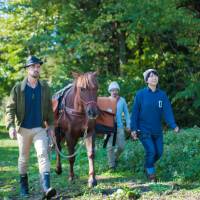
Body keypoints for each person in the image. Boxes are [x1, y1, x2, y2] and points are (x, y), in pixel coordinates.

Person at [5, 55, 56, 198]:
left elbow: (49, 110)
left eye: (38, 66)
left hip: (39, 128)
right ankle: (24, 188)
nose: (36, 69)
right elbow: (10, 109)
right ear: (27, 69)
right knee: (23, 159)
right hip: (23, 130)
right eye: (33, 66)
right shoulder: (18, 88)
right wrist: (10, 126)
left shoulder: (45, 88)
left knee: (43, 154)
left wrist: (51, 127)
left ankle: (46, 187)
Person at [130, 69, 179, 182]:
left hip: (157, 130)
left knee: (159, 152)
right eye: (151, 76)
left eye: (155, 75)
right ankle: (151, 175)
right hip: (143, 129)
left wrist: (173, 125)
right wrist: (133, 128)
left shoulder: (162, 95)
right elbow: (135, 113)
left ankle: (148, 165)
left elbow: (167, 111)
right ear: (146, 80)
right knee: (151, 151)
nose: (154, 77)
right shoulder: (140, 94)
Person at [107, 81, 130, 170]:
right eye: (112, 90)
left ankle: (115, 158)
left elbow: (127, 114)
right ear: (110, 91)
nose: (114, 92)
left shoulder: (122, 100)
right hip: (109, 127)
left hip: (120, 126)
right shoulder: (107, 100)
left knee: (121, 146)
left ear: (118, 91)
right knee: (110, 147)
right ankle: (111, 165)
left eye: (116, 90)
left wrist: (128, 124)